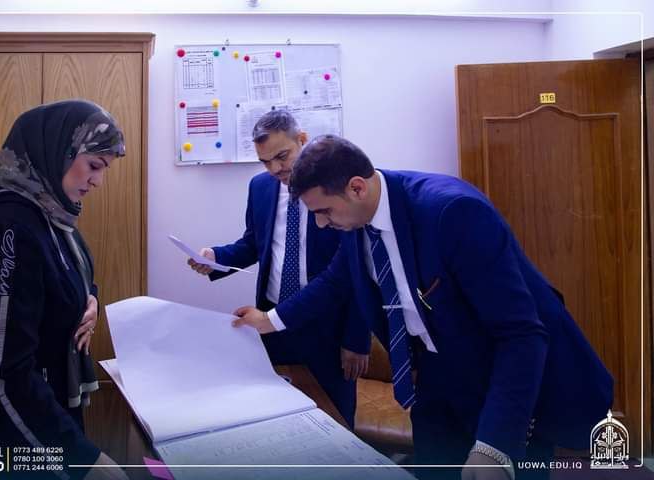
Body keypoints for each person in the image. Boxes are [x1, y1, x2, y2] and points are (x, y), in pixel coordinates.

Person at [232, 135, 613, 480]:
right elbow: (334, 282)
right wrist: (269, 320)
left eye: (325, 211)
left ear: (356, 187)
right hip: (435, 373)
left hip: (502, 378)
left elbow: (521, 333)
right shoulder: (355, 221)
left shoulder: (452, 212)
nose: (320, 224)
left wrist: (496, 446)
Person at [0, 100, 129, 480]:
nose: (98, 181)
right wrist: (83, 461)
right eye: (94, 166)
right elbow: (7, 372)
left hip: (32, 411)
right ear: (58, 151)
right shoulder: (9, 227)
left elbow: (66, 271)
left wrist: (88, 298)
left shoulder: (48, 212)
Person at [187, 111, 369, 427]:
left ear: (302, 140)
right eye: (265, 161)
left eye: (282, 156)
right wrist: (214, 257)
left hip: (328, 326)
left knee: (334, 422)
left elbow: (355, 269)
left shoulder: (334, 185)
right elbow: (253, 244)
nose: (274, 169)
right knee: (276, 420)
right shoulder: (261, 187)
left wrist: (356, 339)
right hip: (271, 320)